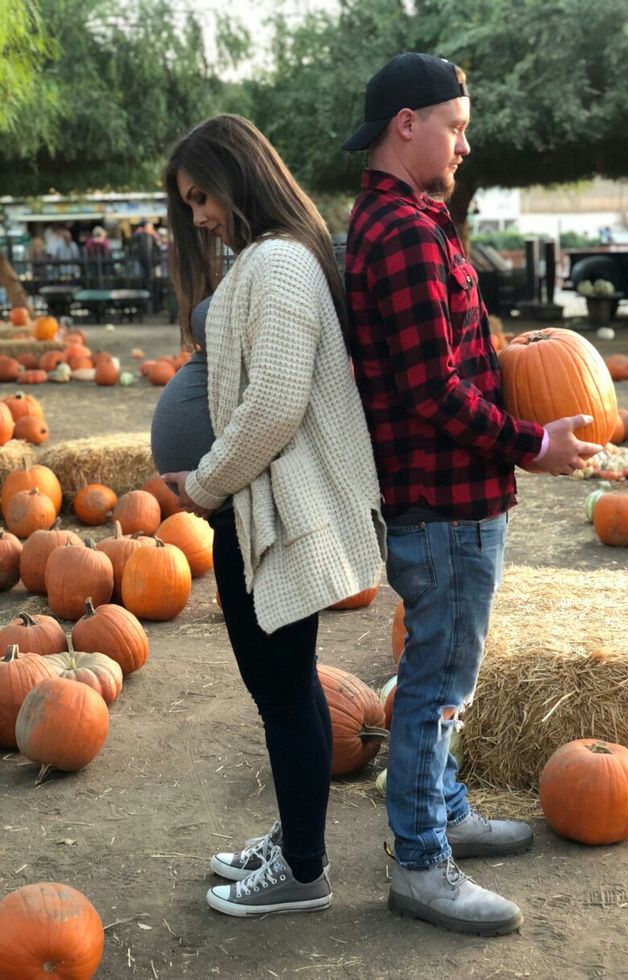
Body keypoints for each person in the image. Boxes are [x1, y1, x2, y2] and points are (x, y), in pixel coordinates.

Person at [342, 52, 601, 937]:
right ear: (404, 123)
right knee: (435, 684)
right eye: (454, 125)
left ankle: (442, 809)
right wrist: (531, 442)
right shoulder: (404, 233)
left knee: (441, 674)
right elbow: (432, 389)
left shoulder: (410, 219)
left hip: (450, 499)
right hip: (444, 503)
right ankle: (420, 865)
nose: (465, 141)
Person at [157, 113, 386, 919]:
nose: (198, 218)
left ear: (236, 177)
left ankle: (302, 870)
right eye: (187, 206)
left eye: (200, 198)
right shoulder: (266, 260)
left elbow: (275, 405)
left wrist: (205, 486)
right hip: (254, 509)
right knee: (280, 690)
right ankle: (296, 837)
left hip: (271, 511)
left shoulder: (281, 263)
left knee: (285, 691)